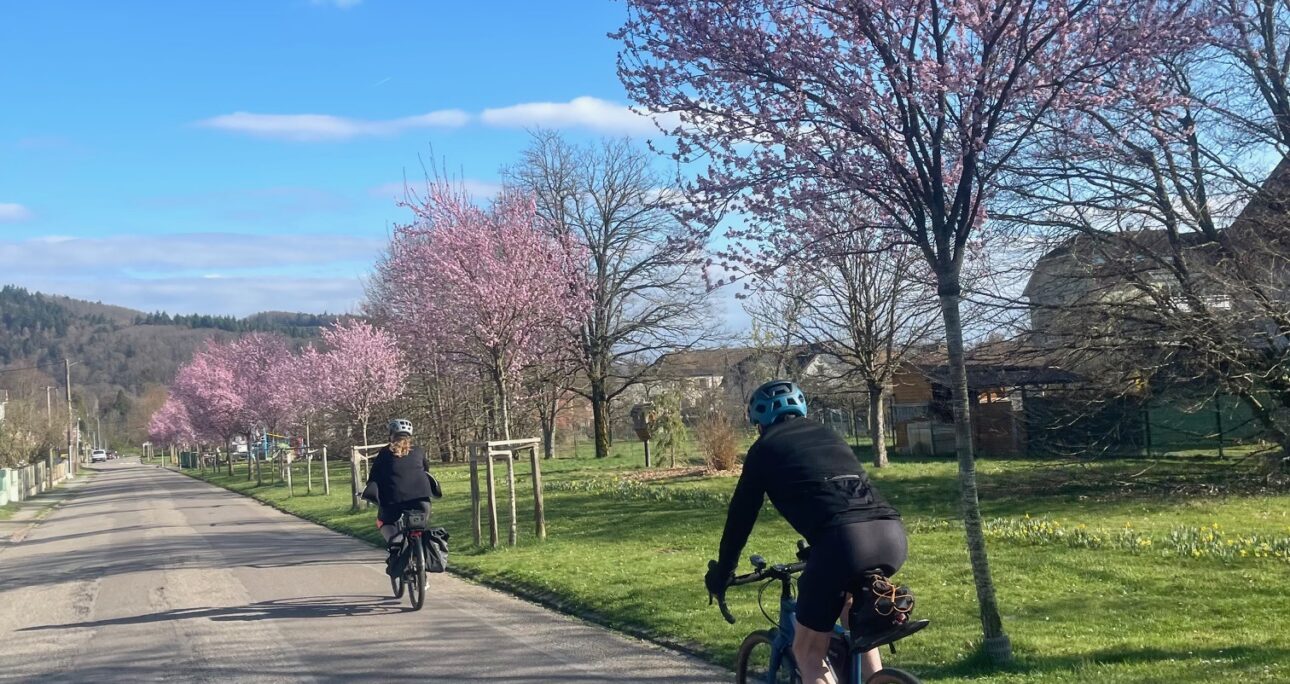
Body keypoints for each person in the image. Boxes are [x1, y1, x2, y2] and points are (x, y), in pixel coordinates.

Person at [705, 380, 912, 684]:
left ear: (759, 422)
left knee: (807, 651)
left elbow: (740, 518)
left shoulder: (764, 449)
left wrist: (723, 574)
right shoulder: (831, 436)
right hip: (891, 536)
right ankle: (879, 678)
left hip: (842, 542)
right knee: (855, 621)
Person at [364, 418, 437, 576]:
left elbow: (373, 477)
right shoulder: (419, 451)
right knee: (420, 528)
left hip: (393, 500)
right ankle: (422, 559)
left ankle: (395, 542)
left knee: (383, 522)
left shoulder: (384, 453)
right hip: (421, 499)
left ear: (391, 435)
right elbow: (426, 470)